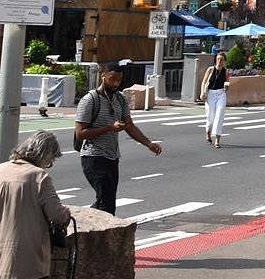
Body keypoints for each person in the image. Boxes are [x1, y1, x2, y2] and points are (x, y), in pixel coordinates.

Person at [74, 61, 162, 214]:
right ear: (103, 76)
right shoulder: (90, 100)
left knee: (107, 201)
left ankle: (88, 221)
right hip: (93, 157)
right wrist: (109, 128)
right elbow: (80, 133)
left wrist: (148, 143)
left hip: (112, 157)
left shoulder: (120, 99)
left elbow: (130, 126)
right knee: (106, 203)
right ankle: (92, 227)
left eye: (119, 80)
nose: (116, 83)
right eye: (112, 79)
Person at [0, 130, 72, 279]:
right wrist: (66, 213)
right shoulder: (39, 177)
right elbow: (57, 215)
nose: (49, 165)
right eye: (50, 160)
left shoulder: (2, 169)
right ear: (45, 155)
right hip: (25, 259)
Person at [200, 53, 229, 148]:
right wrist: (202, 93)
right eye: (218, 59)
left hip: (221, 94)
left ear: (224, 61)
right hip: (210, 94)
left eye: (222, 60)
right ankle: (208, 131)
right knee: (210, 117)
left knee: (219, 115)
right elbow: (204, 82)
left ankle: (217, 140)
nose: (220, 61)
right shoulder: (210, 69)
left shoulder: (226, 71)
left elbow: (227, 83)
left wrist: (226, 87)